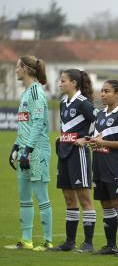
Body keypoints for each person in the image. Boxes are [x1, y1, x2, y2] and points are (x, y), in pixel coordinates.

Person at [5, 55, 53, 251]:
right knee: (24, 196)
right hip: (25, 150)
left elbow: (39, 124)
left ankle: (48, 241)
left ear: (25, 69)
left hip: (37, 151)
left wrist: (28, 151)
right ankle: (26, 239)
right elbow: (25, 125)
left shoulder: (36, 93)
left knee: (41, 196)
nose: (15, 70)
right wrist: (16, 147)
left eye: (17, 67)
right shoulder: (25, 93)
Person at [51, 69, 97, 253]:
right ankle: (70, 242)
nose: (60, 83)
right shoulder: (63, 103)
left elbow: (99, 120)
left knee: (84, 199)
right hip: (64, 153)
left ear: (74, 83)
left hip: (78, 154)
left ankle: (88, 243)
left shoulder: (83, 103)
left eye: (63, 80)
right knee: (69, 199)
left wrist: (86, 139)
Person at [89, 80, 118, 257]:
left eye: (107, 91)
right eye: (102, 91)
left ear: (117, 94)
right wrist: (88, 141)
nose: (103, 94)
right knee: (105, 206)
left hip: (114, 167)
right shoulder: (100, 114)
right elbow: (96, 138)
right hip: (98, 165)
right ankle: (110, 245)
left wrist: (102, 142)